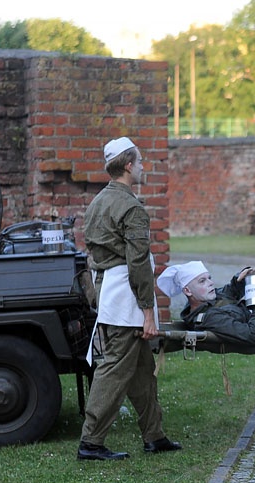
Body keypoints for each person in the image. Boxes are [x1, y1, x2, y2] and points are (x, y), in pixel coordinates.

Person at [78, 137, 181, 461]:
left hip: (112, 291)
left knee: (142, 369)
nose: (143, 166)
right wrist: (148, 313)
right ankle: (91, 443)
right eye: (139, 161)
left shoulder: (98, 201)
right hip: (125, 300)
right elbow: (138, 265)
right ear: (127, 165)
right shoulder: (131, 208)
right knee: (113, 370)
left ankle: (154, 435)